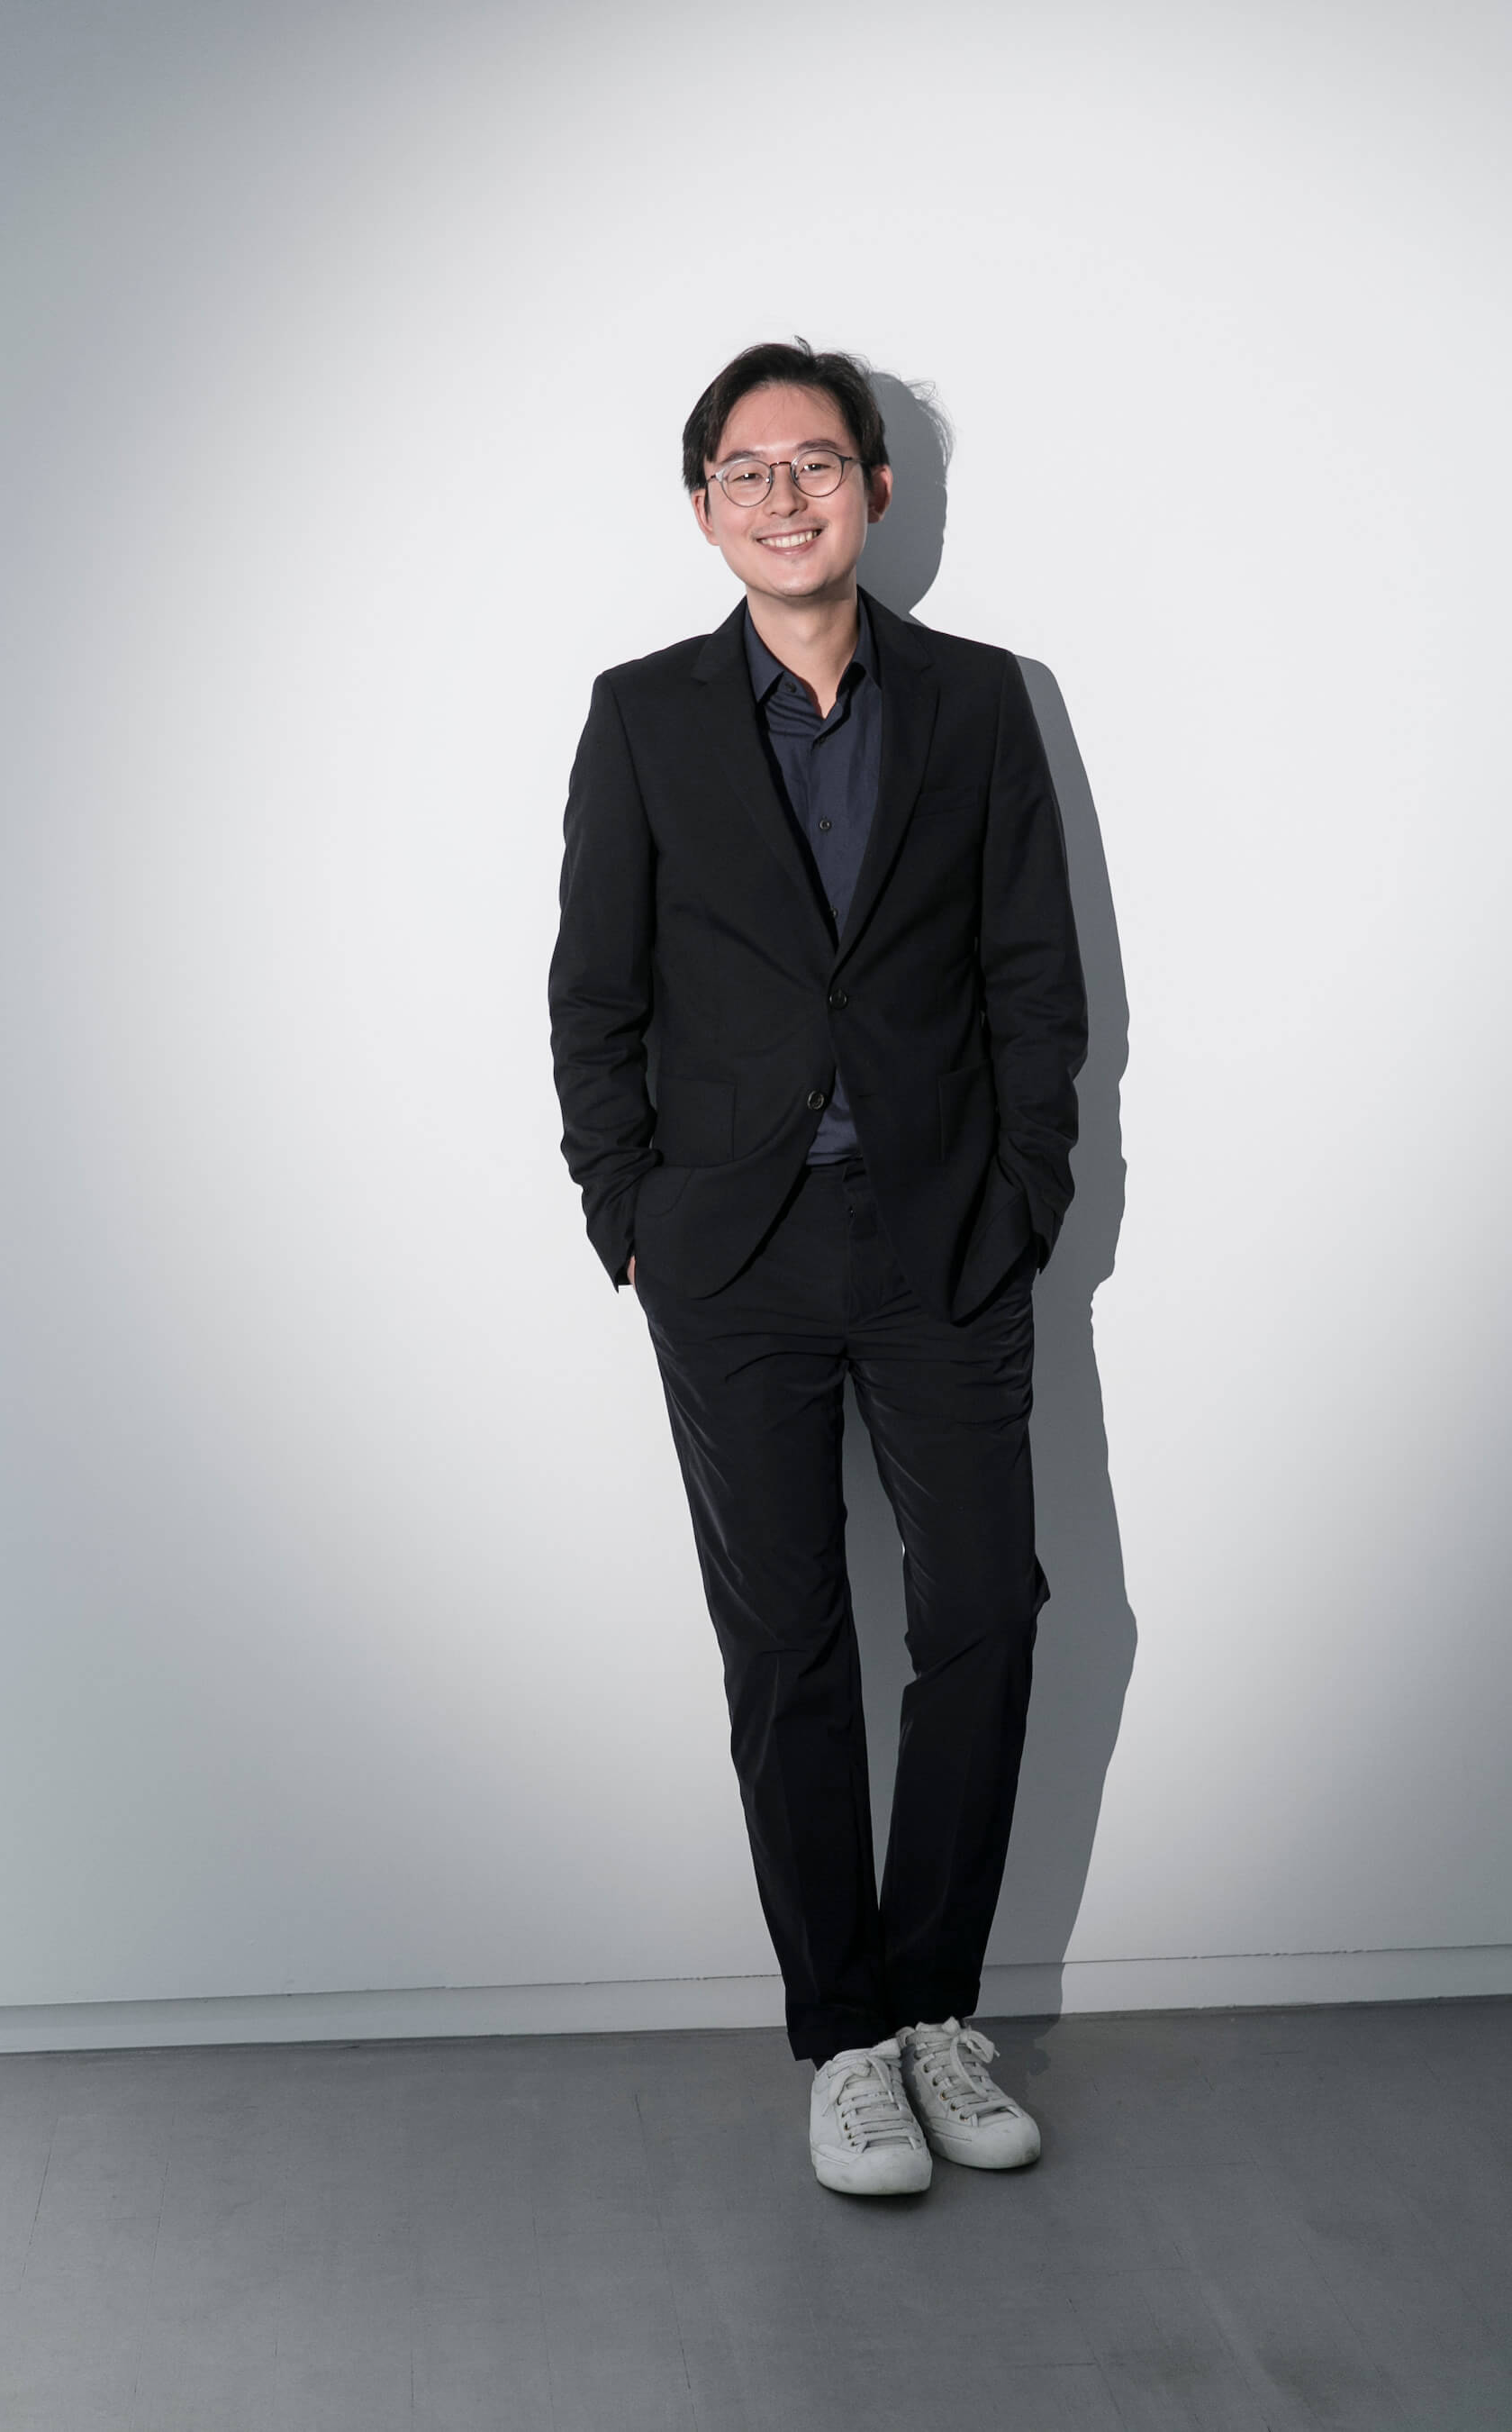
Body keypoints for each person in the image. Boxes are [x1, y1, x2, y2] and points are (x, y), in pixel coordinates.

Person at [548, 339, 1087, 2196]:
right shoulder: (643, 718)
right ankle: (843, 2039)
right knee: (785, 1646)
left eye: (819, 464)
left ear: (877, 489)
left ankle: (934, 2006)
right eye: (748, 472)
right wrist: (629, 1212)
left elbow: (1033, 976)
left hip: (945, 1238)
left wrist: (1026, 1193)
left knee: (984, 1612)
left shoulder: (983, 703)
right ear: (705, 507)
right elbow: (596, 995)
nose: (786, 498)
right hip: (735, 1253)